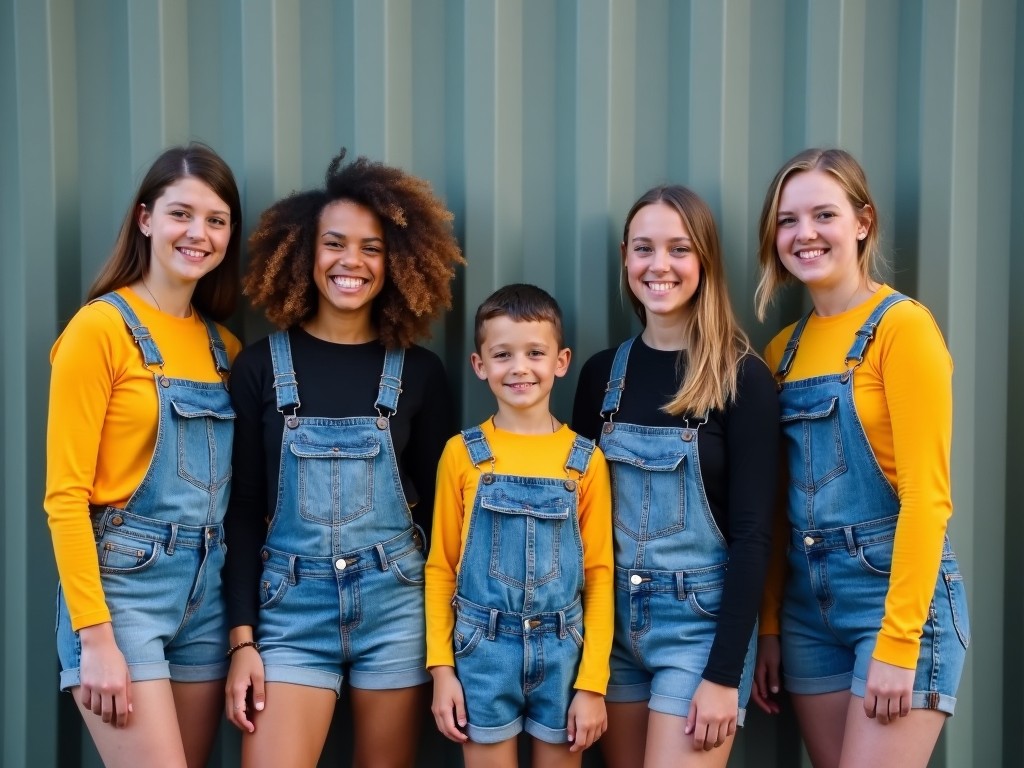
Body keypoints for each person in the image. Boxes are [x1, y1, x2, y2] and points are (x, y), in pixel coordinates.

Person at [223, 149, 463, 767]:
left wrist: (446, 643)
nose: (350, 261)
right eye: (334, 243)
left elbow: (444, 517)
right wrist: (242, 640)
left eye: (373, 248)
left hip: (398, 604)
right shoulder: (257, 368)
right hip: (289, 610)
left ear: (399, 263)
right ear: (304, 254)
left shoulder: (421, 373)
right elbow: (244, 510)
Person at [750, 148, 970, 768]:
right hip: (806, 612)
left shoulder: (903, 329)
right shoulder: (779, 352)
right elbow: (776, 511)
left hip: (895, 604)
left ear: (863, 221)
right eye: (788, 220)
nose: (804, 234)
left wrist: (899, 645)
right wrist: (769, 625)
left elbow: (929, 500)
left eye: (824, 214)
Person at [45, 143, 243, 767]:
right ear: (145, 219)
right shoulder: (99, 329)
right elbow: (64, 497)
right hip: (123, 594)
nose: (199, 234)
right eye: (181, 213)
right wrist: (95, 638)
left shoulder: (226, 349)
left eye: (216, 220)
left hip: (207, 596)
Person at [571, 185, 779, 768]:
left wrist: (720, 676)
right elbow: (577, 517)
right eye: (644, 249)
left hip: (699, 631)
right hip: (609, 631)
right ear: (625, 258)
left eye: (679, 249)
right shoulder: (599, 377)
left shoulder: (742, 379)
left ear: (704, 261)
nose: (659, 266)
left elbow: (753, 537)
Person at [426, 284, 614, 768]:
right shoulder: (462, 454)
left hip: (562, 655)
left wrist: (592, 684)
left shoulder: (585, 460)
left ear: (561, 360)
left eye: (535, 353)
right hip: (481, 651)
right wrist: (442, 670)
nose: (519, 368)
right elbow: (441, 567)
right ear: (479, 364)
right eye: (502, 354)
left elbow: (598, 574)